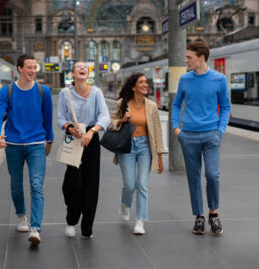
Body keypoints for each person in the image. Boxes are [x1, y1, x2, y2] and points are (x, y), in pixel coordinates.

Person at [0, 55, 54, 246]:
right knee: (16, 184)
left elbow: (47, 117)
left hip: (36, 144)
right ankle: (21, 217)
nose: (33, 71)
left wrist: (49, 139)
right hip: (14, 144)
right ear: (19, 69)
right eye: (29, 67)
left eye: (35, 67)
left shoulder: (44, 91)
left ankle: (35, 228)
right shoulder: (7, 92)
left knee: (36, 184)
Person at [172, 40, 230, 236]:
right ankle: (199, 216)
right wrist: (176, 128)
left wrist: (220, 130)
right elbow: (176, 104)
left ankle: (213, 213)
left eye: (189, 57)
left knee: (212, 175)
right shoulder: (185, 80)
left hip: (211, 135)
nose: (186, 60)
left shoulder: (219, 79)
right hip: (188, 135)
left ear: (201, 58)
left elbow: (226, 106)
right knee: (194, 178)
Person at [56, 61, 110, 239]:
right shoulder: (65, 93)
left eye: (86, 68)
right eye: (79, 67)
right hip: (73, 139)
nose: (83, 69)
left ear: (88, 74)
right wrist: (69, 128)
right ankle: (71, 220)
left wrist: (92, 131)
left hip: (91, 140)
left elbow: (104, 117)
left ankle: (87, 226)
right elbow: (60, 117)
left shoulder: (96, 93)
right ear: (72, 74)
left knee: (91, 185)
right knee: (74, 184)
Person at [108, 72, 165, 235]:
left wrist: (160, 156)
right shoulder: (122, 104)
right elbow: (110, 125)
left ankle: (140, 221)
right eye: (141, 82)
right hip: (126, 146)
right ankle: (125, 205)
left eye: (146, 82)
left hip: (145, 147)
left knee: (142, 185)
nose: (145, 84)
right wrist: (122, 120)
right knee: (130, 185)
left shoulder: (151, 106)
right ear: (133, 87)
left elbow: (157, 132)